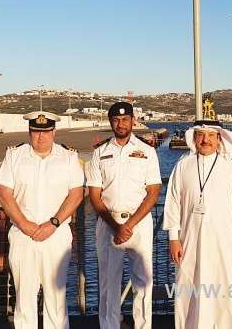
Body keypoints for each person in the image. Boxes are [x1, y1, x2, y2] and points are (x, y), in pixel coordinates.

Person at [0, 111, 85, 329]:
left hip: (56, 236)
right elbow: (4, 193)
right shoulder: (14, 156)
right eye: (35, 131)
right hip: (23, 236)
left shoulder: (69, 157)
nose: (40, 136)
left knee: (56, 298)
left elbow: (76, 195)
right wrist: (24, 224)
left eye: (45, 131)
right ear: (29, 131)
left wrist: (53, 223)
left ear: (54, 131)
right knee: (24, 298)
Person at [163, 120, 232, 328]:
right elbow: (173, 203)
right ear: (194, 138)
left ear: (219, 139)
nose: (206, 140)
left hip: (226, 244)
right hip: (190, 242)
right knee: (190, 290)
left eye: (211, 135)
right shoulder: (182, 166)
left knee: (228, 292)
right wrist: (173, 238)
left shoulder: (231, 168)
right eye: (201, 135)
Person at [86, 101, 161, 329]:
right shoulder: (100, 153)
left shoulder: (147, 151)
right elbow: (95, 195)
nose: (121, 124)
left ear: (133, 121)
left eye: (125, 119)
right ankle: (109, 325)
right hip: (108, 223)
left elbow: (153, 192)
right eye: (116, 120)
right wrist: (116, 226)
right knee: (108, 283)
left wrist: (129, 225)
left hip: (139, 223)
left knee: (143, 282)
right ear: (111, 122)